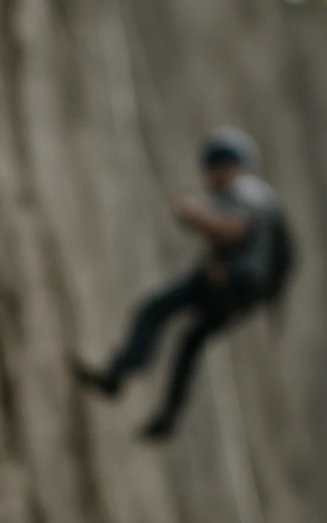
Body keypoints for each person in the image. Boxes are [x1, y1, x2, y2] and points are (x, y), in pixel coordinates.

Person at [74, 126, 293, 440]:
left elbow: (233, 230)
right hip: (244, 293)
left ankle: (120, 373)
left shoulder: (245, 191)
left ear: (224, 166)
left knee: (155, 309)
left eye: (211, 169)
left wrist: (193, 214)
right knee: (191, 342)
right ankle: (165, 418)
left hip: (234, 282)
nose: (209, 178)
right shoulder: (259, 197)